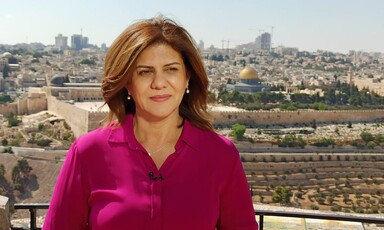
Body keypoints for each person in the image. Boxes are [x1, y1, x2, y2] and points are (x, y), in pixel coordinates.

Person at [43, 15, 258, 230]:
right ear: (127, 82)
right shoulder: (89, 152)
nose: (159, 83)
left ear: (187, 78)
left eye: (171, 69)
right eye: (145, 72)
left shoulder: (220, 155)